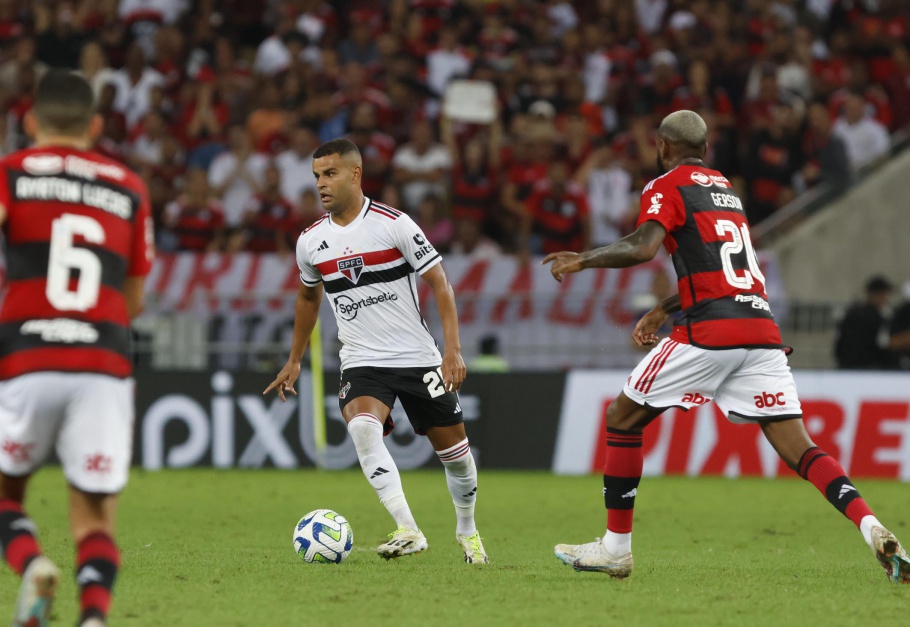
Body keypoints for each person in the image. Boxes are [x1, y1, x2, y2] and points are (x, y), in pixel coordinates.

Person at [542, 110, 909, 582]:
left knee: (622, 417)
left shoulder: (666, 185)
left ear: (661, 147)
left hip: (712, 331)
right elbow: (727, 271)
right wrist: (666, 307)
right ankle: (872, 526)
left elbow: (642, 246)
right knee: (800, 446)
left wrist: (583, 259)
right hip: (759, 330)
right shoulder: (725, 191)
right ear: (706, 149)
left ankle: (615, 548)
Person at [264, 139, 488, 564]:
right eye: (316, 176)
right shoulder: (311, 241)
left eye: (329, 174)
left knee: (457, 458)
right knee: (363, 430)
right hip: (362, 359)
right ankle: (408, 527)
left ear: (355, 174)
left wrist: (452, 350)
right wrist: (293, 358)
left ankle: (467, 530)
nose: (321, 185)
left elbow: (440, 283)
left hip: (418, 357)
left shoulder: (394, 224)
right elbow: (308, 299)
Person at [0, 70, 154, 626]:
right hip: (103, 363)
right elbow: (133, 297)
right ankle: (92, 618)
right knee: (93, 521)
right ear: (95, 125)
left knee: (5, 497)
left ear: (30, 121)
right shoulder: (128, 185)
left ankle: (34, 563)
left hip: (26, 355)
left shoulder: (11, 173)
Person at [834, 276, 899, 370]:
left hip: (847, 367)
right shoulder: (876, 318)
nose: (886, 299)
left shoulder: (852, 314)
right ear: (874, 295)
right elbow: (880, 345)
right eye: (884, 294)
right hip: (869, 369)